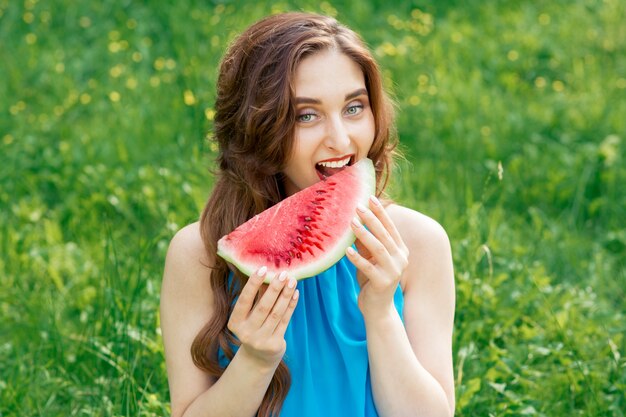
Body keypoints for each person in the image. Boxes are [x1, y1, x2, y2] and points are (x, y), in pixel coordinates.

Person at [160, 12, 455, 417]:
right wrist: (256, 360)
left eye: (354, 107)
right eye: (306, 115)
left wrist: (381, 312)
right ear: (256, 127)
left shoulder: (419, 244)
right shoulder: (199, 254)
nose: (340, 139)